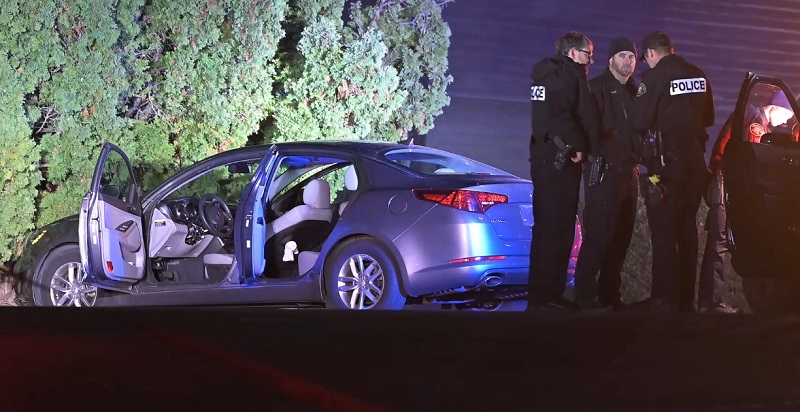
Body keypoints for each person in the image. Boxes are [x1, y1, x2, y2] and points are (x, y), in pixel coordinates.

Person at [631, 32, 714, 312]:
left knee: (663, 228)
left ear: (651, 54)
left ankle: (662, 298)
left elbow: (640, 120)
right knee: (687, 230)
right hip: (694, 163)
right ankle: (684, 300)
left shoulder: (654, 79)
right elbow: (709, 117)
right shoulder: (698, 74)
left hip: (665, 166)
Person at [699, 90, 795, 314]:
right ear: (776, 107)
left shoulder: (752, 117)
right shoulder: (754, 120)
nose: (788, 120)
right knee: (720, 242)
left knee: (719, 241)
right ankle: (712, 302)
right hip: (725, 184)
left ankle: (710, 301)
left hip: (722, 181)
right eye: (787, 114)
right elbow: (751, 158)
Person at [527, 31, 600, 310]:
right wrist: (580, 144)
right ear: (572, 53)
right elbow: (575, 115)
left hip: (545, 160)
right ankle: (547, 296)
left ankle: (542, 295)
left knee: (548, 229)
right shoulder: (570, 77)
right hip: (562, 160)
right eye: (587, 54)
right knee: (556, 230)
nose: (590, 60)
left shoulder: (544, 76)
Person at [573, 37, 641, 311]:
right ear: (610, 60)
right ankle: (584, 295)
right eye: (623, 55)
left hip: (630, 174)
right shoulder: (597, 88)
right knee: (599, 235)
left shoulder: (636, 92)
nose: (628, 61)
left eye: (632, 57)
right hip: (604, 172)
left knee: (621, 237)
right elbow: (583, 126)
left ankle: (609, 294)